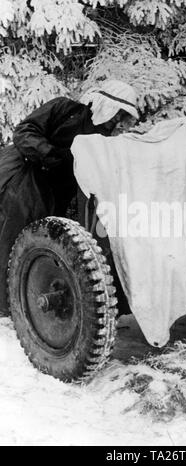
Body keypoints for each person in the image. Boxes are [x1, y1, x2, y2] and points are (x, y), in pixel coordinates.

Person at [0, 79, 139, 314]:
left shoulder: (104, 138)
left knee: (51, 240)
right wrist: (50, 153)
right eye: (117, 114)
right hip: (24, 172)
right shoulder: (63, 108)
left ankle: (32, 293)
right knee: (14, 233)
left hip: (55, 188)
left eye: (123, 116)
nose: (117, 121)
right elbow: (24, 132)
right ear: (105, 104)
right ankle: (7, 303)